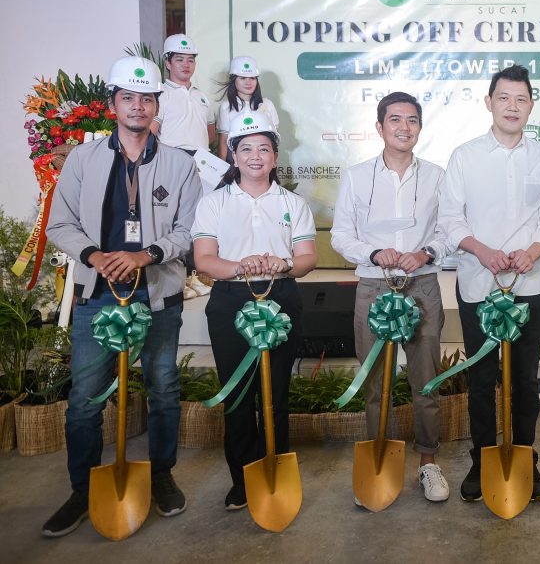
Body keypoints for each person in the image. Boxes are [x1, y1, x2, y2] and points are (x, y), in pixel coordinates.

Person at [43, 56, 202, 537]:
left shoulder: (179, 163)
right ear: (113, 104)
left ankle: (161, 477)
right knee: (86, 401)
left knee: (163, 391)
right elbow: (59, 223)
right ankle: (81, 490)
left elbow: (190, 230)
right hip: (97, 294)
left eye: (147, 98)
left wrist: (147, 254)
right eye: (128, 98)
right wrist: (93, 255)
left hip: (157, 295)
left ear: (158, 106)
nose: (138, 106)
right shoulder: (84, 160)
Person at [438, 64, 540, 503]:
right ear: (489, 102)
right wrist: (482, 251)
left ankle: (525, 456)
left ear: (531, 106)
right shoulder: (464, 156)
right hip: (478, 283)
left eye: (521, 99)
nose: (512, 107)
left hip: (528, 283)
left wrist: (533, 251)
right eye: (504, 98)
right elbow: (450, 218)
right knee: (482, 377)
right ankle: (482, 458)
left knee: (525, 380)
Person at [192, 112, 317, 510]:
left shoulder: (293, 203)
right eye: (246, 148)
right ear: (233, 156)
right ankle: (242, 478)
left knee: (276, 392)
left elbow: (307, 258)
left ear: (275, 157)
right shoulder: (213, 203)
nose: (255, 156)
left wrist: (283, 265)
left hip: (281, 299)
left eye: (264, 148)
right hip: (230, 300)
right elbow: (204, 260)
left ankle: (275, 469)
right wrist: (240, 267)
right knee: (239, 393)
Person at [331, 91, 451, 503]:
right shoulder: (356, 176)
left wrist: (425, 253)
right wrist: (373, 252)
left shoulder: (437, 176)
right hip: (374, 285)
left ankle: (428, 463)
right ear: (379, 127)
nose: (405, 127)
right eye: (395, 120)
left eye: (413, 120)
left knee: (426, 380)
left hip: (422, 286)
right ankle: (379, 456)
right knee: (374, 381)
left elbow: (449, 231)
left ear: (420, 127)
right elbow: (341, 234)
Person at [154, 34, 216, 154]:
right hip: (171, 158)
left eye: (190, 60)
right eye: (179, 59)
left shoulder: (202, 96)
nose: (186, 65)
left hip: (202, 161)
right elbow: (151, 133)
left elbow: (211, 135)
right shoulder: (160, 94)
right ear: (168, 63)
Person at [215, 56, 280, 160]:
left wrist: (273, 166)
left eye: (252, 78)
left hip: (262, 161)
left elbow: (273, 142)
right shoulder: (226, 107)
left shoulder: (267, 105)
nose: (248, 82)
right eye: (243, 78)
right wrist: (221, 171)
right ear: (234, 80)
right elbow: (223, 142)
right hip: (235, 161)